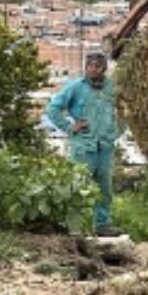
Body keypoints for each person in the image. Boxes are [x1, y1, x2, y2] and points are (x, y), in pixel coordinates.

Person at [45, 51, 123, 237]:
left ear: (104, 68)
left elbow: (124, 110)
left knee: (104, 187)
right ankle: (74, 226)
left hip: (104, 147)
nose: (93, 70)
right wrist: (70, 127)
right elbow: (52, 108)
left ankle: (102, 224)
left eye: (97, 66)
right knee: (77, 185)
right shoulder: (75, 87)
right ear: (85, 67)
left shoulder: (111, 88)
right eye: (89, 66)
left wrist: (117, 131)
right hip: (83, 146)